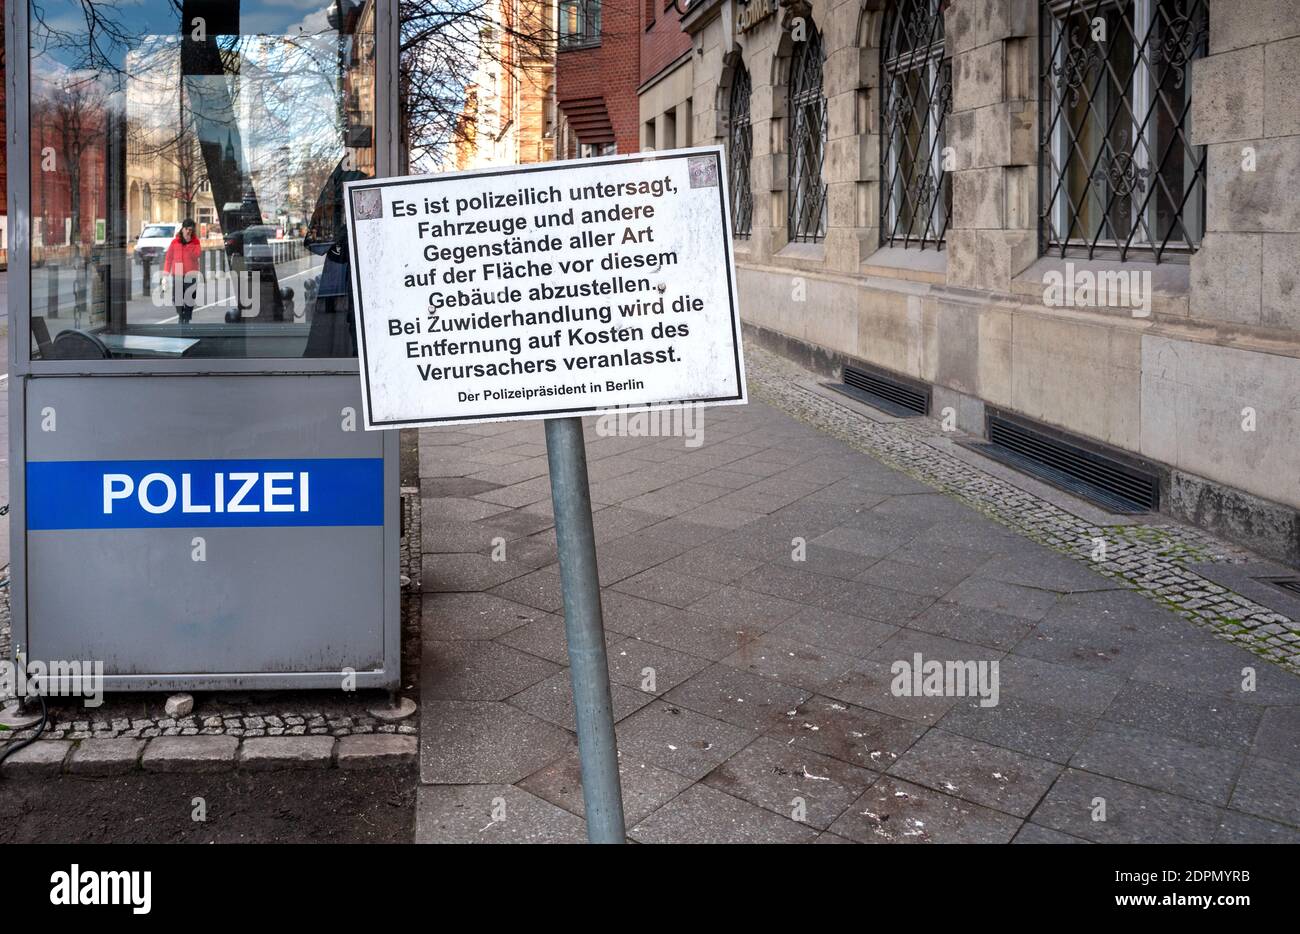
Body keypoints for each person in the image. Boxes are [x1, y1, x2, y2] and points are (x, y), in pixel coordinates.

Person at [163, 218, 202, 324]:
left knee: (190, 298)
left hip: (191, 274)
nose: (189, 231)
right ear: (183, 229)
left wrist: (189, 244)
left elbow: (197, 255)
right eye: (187, 229)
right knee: (177, 299)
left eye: (191, 230)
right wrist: (165, 274)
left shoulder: (195, 241)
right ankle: (181, 315)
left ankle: (187, 318)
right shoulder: (175, 242)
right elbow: (168, 258)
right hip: (178, 274)